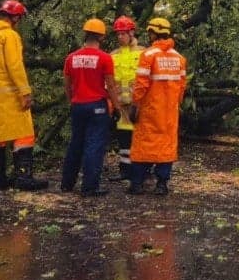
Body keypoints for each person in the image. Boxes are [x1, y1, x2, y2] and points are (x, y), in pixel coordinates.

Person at [0, 0, 48, 191]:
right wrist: (25, 92)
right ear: (15, 17)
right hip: (10, 95)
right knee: (24, 134)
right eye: (19, 18)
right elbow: (15, 66)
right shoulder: (9, 36)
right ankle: (24, 178)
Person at [60, 18, 121, 197]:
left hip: (78, 105)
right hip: (97, 107)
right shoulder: (105, 58)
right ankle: (90, 186)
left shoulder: (71, 58)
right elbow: (111, 86)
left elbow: (67, 85)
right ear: (101, 37)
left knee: (75, 144)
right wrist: (117, 108)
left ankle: (67, 183)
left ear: (85, 34)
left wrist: (72, 101)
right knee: (94, 145)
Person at [128, 17, 187, 196]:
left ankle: (137, 184)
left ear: (153, 33)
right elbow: (182, 87)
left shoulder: (148, 55)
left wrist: (134, 105)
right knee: (166, 147)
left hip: (149, 111)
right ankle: (162, 184)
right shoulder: (179, 58)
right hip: (169, 112)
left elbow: (141, 85)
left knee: (143, 145)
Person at [110, 16, 144, 181]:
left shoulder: (143, 53)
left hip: (139, 105)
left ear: (131, 33)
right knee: (124, 140)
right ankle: (125, 170)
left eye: (123, 33)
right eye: (118, 34)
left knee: (140, 139)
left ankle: (142, 171)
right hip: (121, 107)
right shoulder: (113, 55)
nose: (120, 37)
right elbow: (108, 82)